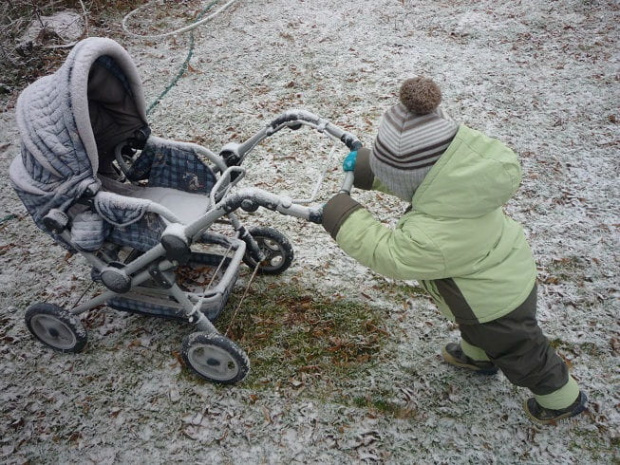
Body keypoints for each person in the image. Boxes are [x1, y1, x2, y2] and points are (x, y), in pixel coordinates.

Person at [321, 76, 587, 424]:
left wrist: (343, 217)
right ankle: (478, 356)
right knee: (475, 325)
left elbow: (391, 253)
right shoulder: (459, 181)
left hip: (496, 303)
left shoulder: (436, 234)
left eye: (391, 173)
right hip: (493, 283)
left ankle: (561, 399)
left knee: (524, 354)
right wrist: (370, 170)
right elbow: (417, 182)